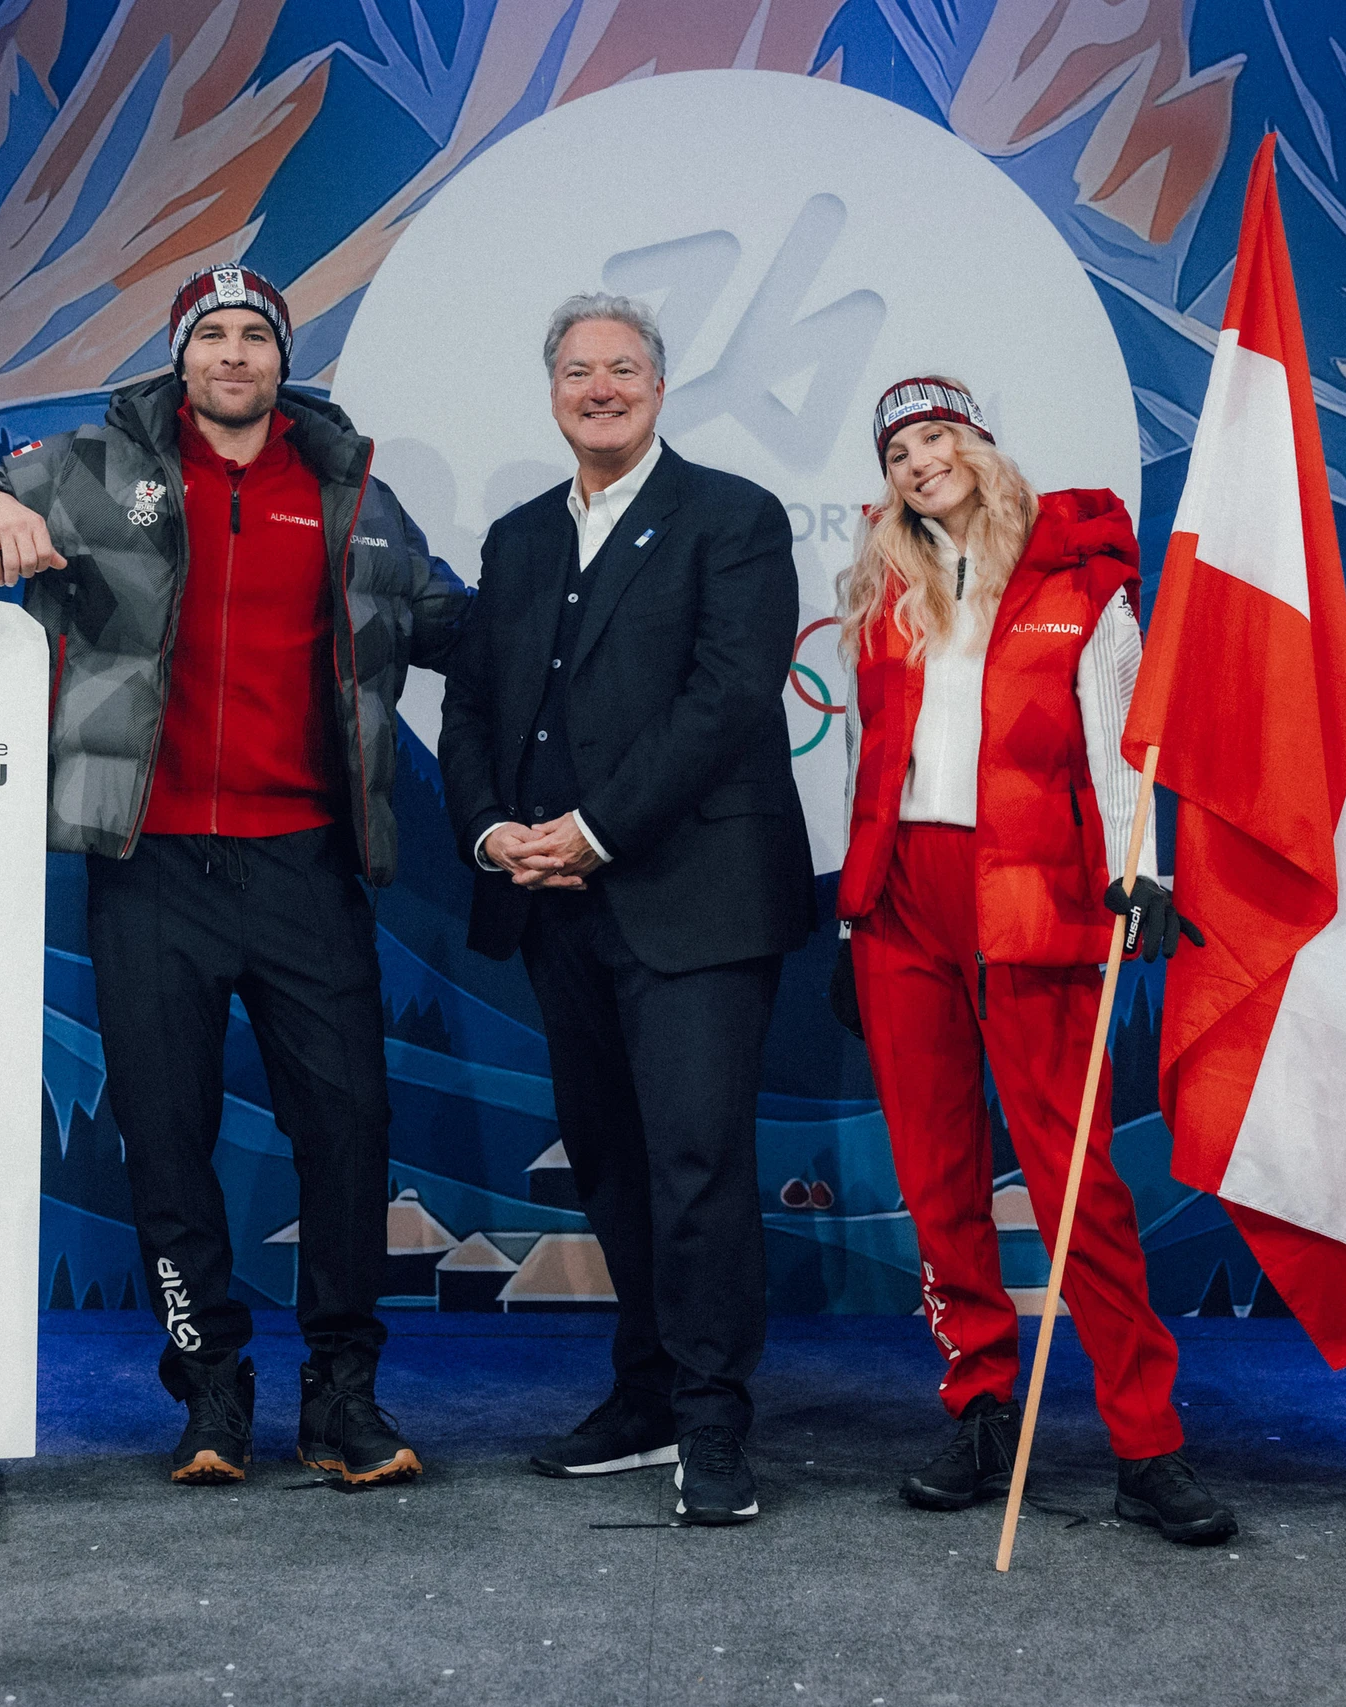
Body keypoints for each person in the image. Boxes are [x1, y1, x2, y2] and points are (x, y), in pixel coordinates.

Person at [0, 264, 469, 1489]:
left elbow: (445, 617)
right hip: (150, 861)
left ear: (281, 359)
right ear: (180, 355)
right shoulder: (97, 468)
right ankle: (209, 1386)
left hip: (307, 861)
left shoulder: (353, 490)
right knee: (166, 1137)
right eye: (209, 335)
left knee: (351, 1131)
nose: (232, 355)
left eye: (253, 335)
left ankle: (342, 1396)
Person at [829, 375, 1236, 1546]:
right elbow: (869, 765)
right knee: (939, 1177)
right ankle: (979, 1411)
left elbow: (1123, 735)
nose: (918, 461)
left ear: (982, 448)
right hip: (906, 904)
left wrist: (1141, 867)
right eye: (898, 449)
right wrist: (855, 910)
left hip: (1035, 898)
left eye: (937, 436)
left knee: (1074, 1186)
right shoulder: (884, 595)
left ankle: (1144, 1445)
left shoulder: (1076, 579)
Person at [437, 293, 814, 1525]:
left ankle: (714, 1426)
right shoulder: (517, 536)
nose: (600, 386)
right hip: (552, 906)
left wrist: (593, 832)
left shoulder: (734, 520)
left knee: (695, 1163)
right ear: (552, 390)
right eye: (578, 370)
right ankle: (644, 1398)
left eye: (624, 367)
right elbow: (480, 707)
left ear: (661, 385)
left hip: (694, 900)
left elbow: (725, 700)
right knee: (610, 1165)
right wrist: (495, 832)